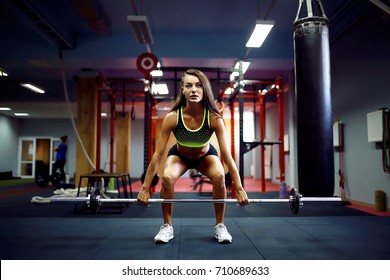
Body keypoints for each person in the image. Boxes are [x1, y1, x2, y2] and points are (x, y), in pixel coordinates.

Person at [137, 69, 249, 244]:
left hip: (205, 156)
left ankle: (220, 225)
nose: (194, 90)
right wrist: (145, 188)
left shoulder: (214, 118)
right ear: (183, 90)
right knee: (166, 177)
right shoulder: (172, 118)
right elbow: (158, 155)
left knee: (219, 175)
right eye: (188, 86)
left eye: (198, 85)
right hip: (180, 156)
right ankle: (167, 226)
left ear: (204, 89)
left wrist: (240, 188)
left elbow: (227, 155)